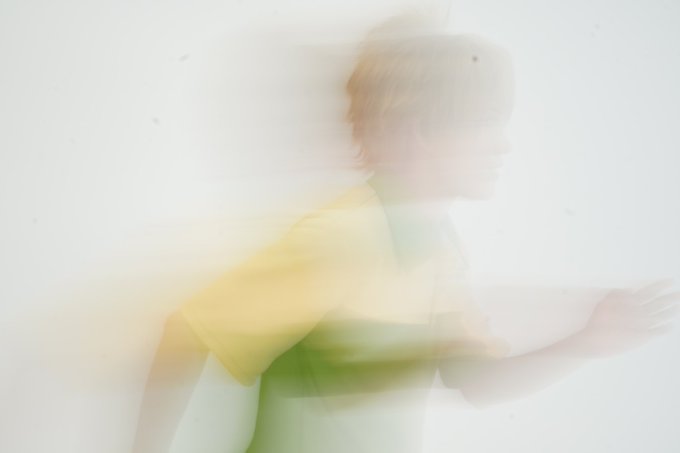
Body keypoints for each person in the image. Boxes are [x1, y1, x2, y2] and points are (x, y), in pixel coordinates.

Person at [132, 13, 678, 453]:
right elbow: (187, 330)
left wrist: (586, 342)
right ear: (423, 132)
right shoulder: (341, 236)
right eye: (485, 123)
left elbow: (473, 380)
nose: (503, 144)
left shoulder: (438, 249)